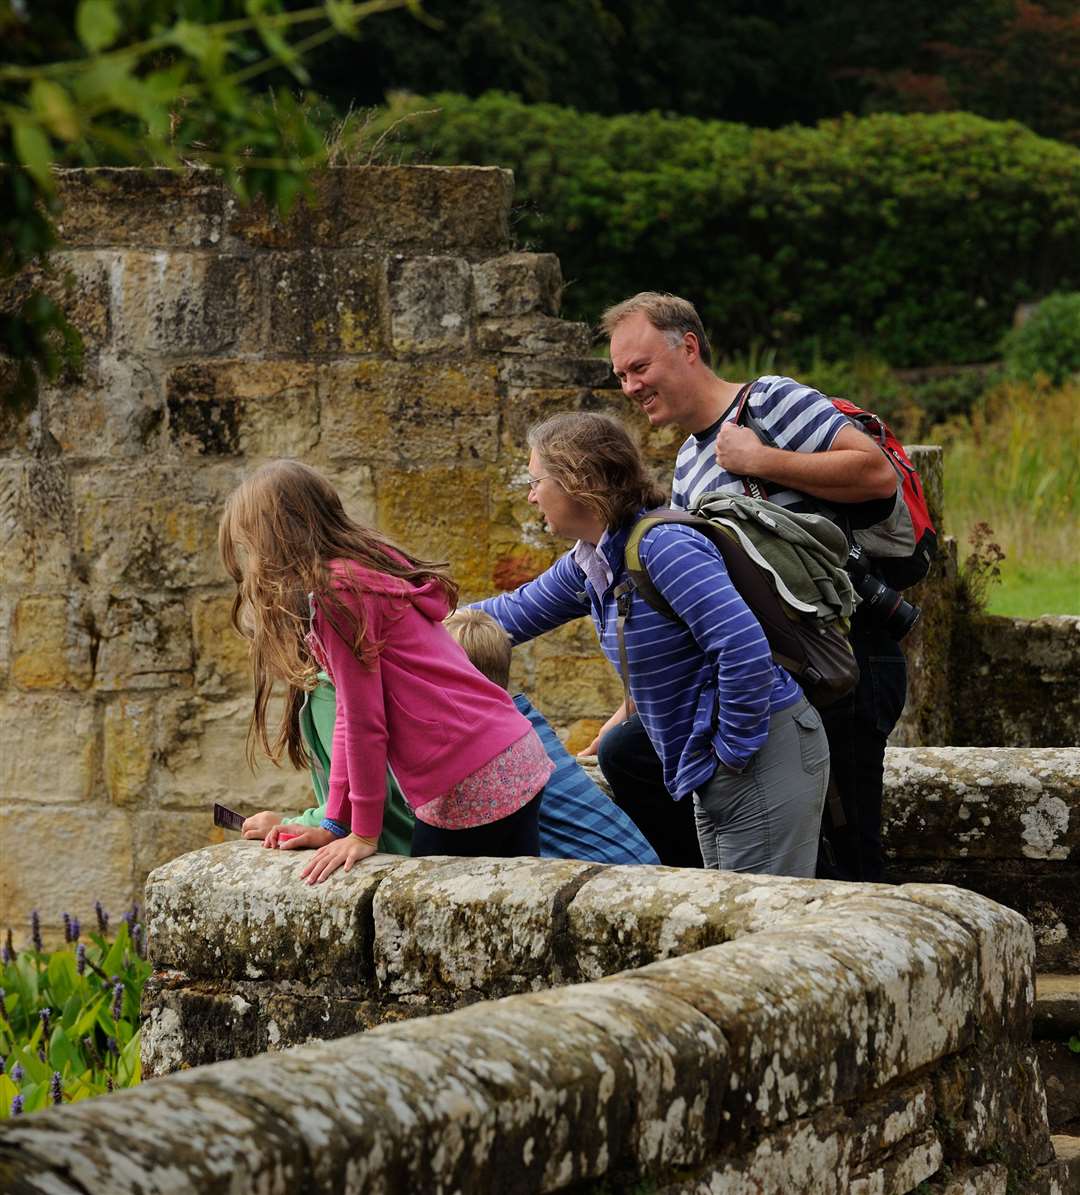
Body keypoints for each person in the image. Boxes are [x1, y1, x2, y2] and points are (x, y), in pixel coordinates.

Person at [596, 291, 903, 882]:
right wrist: (629, 705)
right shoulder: (688, 460)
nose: (631, 386)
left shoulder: (768, 402)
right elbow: (692, 599)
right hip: (780, 670)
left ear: (687, 348)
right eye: (621, 376)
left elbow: (874, 473)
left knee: (852, 851)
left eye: (640, 368)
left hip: (845, 653)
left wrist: (761, 460)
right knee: (631, 752)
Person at [475, 411, 830, 878]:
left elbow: (743, 648)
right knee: (727, 915)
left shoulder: (663, 547)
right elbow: (505, 615)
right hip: (718, 767)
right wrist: (402, 619)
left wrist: (730, 756)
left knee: (762, 923)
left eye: (537, 479)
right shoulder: (594, 563)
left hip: (762, 754)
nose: (531, 494)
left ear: (577, 480)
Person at [219, 460, 551, 884]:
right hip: (506, 756)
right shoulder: (356, 575)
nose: (253, 563)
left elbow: (363, 721)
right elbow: (347, 719)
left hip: (473, 780)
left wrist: (362, 833)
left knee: (432, 923)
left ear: (276, 537)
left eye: (252, 545)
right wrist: (336, 824)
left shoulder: (338, 592)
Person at [242, 609, 660, 867]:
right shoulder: (525, 736)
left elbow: (392, 807)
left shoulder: (481, 760)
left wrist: (303, 825)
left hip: (614, 883)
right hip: (643, 867)